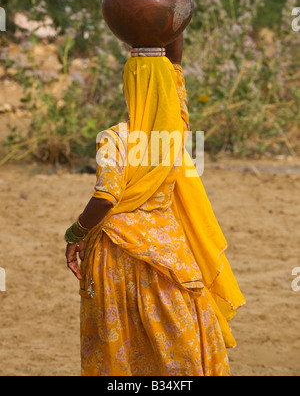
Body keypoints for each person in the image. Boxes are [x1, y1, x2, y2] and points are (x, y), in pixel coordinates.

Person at [65, 34, 245, 376]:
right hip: (170, 256)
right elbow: (175, 71)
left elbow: (106, 197)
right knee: (180, 345)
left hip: (114, 254)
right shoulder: (176, 131)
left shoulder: (115, 138)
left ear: (129, 87)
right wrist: (170, 13)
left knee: (122, 344)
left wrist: (75, 233)